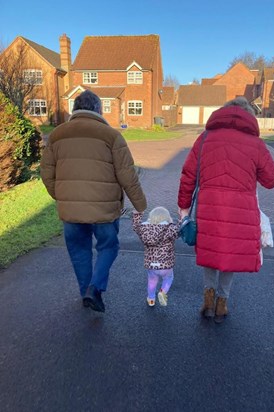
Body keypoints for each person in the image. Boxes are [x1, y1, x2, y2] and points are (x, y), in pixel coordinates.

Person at [40, 90, 147, 312]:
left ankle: (85, 293)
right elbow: (128, 175)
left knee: (79, 250)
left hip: (71, 212)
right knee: (109, 246)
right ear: (98, 110)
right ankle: (95, 288)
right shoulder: (111, 136)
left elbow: (47, 174)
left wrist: (62, 197)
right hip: (104, 212)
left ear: (74, 110)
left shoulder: (57, 136)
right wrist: (141, 206)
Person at [178, 97, 274, 323]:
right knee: (229, 253)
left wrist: (184, 207)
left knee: (210, 251)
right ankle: (222, 303)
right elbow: (272, 179)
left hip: (209, 208)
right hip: (240, 212)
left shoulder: (205, 139)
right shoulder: (255, 143)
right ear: (248, 116)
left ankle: (208, 299)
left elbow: (187, 175)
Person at [132, 207, 179, 307]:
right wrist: (181, 217)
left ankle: (151, 299)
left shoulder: (144, 229)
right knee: (169, 278)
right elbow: (180, 230)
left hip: (151, 264)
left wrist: (137, 214)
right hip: (166, 264)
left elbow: (136, 227)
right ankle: (162, 292)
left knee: (152, 280)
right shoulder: (170, 229)